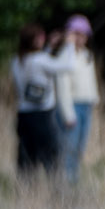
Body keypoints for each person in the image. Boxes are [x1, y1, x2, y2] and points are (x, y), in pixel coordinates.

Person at [11, 23, 72, 175]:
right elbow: (67, 66)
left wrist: (49, 47)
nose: (43, 39)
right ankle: (55, 188)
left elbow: (40, 61)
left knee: (27, 158)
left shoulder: (17, 60)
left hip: (23, 115)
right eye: (40, 37)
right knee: (51, 157)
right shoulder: (40, 59)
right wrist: (69, 44)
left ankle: (26, 187)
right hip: (42, 115)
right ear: (33, 40)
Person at [47, 13, 99, 183]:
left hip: (86, 106)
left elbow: (90, 80)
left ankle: (73, 182)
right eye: (77, 34)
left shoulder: (86, 55)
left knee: (79, 149)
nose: (81, 38)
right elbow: (62, 87)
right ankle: (65, 185)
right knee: (68, 149)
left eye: (84, 34)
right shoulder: (64, 56)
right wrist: (67, 114)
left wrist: (94, 99)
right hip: (71, 107)